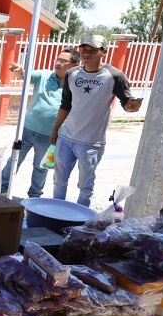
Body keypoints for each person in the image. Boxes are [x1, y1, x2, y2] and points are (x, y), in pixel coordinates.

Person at [50, 35, 143, 207]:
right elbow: (65, 105)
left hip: (91, 143)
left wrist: (133, 107)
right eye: (84, 49)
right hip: (66, 138)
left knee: (85, 187)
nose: (87, 53)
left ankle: (80, 221)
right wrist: (56, 130)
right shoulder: (72, 73)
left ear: (103, 52)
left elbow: (127, 104)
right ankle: (56, 213)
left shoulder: (114, 76)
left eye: (93, 50)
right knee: (59, 182)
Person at [0, 48, 81, 197]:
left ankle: (35, 196)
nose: (58, 63)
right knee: (14, 161)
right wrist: (18, 71)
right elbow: (24, 76)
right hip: (28, 130)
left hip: (50, 136)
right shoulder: (44, 75)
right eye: (58, 59)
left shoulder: (75, 85)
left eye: (64, 61)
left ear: (74, 65)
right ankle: (2, 189)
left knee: (41, 167)